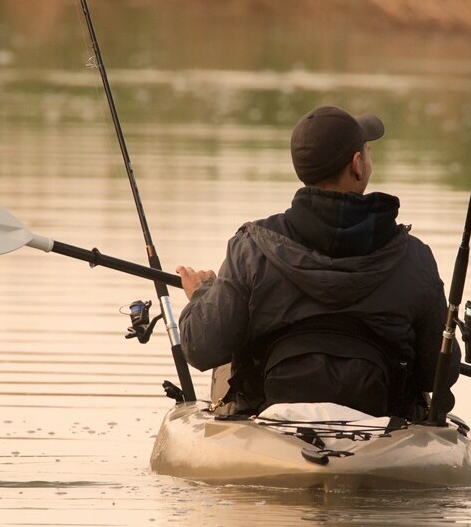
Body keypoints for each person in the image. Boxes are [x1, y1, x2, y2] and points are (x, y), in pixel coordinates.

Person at [175, 105, 448, 420]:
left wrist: (202, 294)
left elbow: (201, 348)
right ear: (358, 165)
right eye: (368, 152)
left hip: (269, 424)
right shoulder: (415, 257)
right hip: (381, 426)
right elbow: (438, 374)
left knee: (229, 353)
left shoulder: (250, 249)